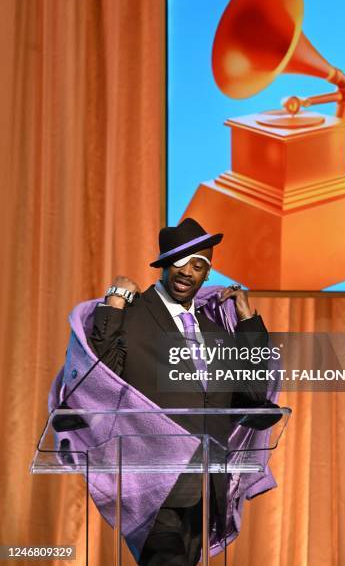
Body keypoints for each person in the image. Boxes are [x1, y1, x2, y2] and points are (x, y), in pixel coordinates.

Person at [88, 217, 270, 565]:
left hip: (205, 480)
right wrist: (113, 303)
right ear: (163, 264)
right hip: (152, 479)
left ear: (207, 274)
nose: (188, 271)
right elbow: (101, 378)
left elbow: (251, 392)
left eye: (198, 265)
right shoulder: (134, 314)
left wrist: (247, 322)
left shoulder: (215, 329)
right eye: (180, 262)